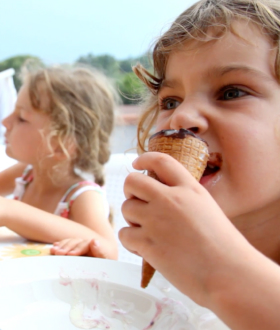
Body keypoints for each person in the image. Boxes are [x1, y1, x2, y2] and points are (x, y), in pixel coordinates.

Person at [118, 0, 280, 329]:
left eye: (232, 92)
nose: (181, 116)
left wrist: (219, 271)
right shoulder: (175, 254)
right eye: (170, 101)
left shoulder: (209, 265)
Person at [0, 65, 118, 260]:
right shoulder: (27, 173)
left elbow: (109, 250)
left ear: (61, 143)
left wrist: (11, 212)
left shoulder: (81, 196)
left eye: (21, 118)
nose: (5, 121)